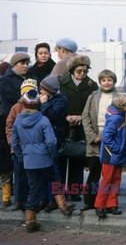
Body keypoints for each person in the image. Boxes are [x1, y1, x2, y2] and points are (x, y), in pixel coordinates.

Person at [11, 89, 75, 233]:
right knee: (55, 179)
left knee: (33, 189)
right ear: (38, 104)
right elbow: (51, 142)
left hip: (29, 160)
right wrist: (52, 155)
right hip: (45, 158)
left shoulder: (18, 121)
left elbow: (14, 144)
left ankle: (30, 221)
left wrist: (22, 157)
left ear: (24, 103)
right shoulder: (43, 119)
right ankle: (63, 206)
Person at [59, 55, 98, 202]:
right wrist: (66, 116)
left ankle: (75, 192)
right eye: (79, 71)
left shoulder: (92, 85)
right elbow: (57, 103)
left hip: (82, 126)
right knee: (61, 160)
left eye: (85, 71)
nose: (82, 74)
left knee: (77, 159)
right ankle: (60, 193)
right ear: (72, 70)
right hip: (64, 125)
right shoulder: (62, 83)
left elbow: (94, 107)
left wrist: (81, 117)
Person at [81, 69, 118, 211]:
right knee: (94, 172)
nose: (106, 83)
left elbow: (120, 120)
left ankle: (109, 203)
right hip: (94, 141)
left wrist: (104, 137)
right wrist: (92, 136)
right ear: (100, 82)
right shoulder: (93, 96)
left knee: (110, 174)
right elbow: (85, 117)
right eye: (104, 80)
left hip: (111, 140)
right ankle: (90, 201)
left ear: (114, 82)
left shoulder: (118, 97)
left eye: (109, 80)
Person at [94, 92, 126, 218]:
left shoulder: (118, 116)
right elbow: (107, 136)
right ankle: (100, 205)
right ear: (121, 106)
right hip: (111, 155)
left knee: (115, 179)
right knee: (108, 180)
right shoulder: (116, 118)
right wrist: (117, 149)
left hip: (115, 155)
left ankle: (111, 204)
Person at [6, 79, 38, 211]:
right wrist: (12, 143)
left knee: (32, 176)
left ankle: (29, 201)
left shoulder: (38, 106)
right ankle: (19, 201)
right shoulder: (16, 107)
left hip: (32, 148)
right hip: (18, 147)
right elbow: (9, 126)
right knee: (18, 175)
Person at [38, 75, 69, 213]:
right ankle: (43, 198)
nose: (40, 91)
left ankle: (54, 200)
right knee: (43, 170)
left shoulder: (61, 100)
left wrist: (44, 104)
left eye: (43, 89)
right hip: (42, 138)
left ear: (49, 90)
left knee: (54, 170)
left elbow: (52, 116)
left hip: (55, 138)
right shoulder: (45, 98)